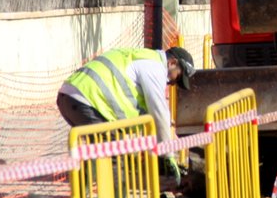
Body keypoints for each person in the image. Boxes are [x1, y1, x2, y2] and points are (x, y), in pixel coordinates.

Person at [57, 45, 196, 188]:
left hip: (71, 97)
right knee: (116, 158)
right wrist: (167, 155)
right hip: (86, 100)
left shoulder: (143, 58)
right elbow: (159, 112)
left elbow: (143, 110)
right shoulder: (155, 67)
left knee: (100, 152)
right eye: (177, 77)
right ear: (172, 63)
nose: (173, 83)